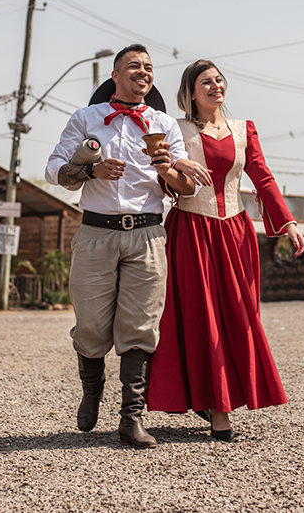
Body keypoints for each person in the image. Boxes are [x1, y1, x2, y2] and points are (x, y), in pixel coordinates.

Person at [145, 60, 304, 441]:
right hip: (192, 233)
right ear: (190, 92)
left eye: (219, 80)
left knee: (237, 317)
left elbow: (262, 177)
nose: (215, 86)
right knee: (200, 319)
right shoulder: (177, 131)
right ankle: (218, 411)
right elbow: (169, 179)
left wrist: (288, 222)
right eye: (206, 82)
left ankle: (222, 398)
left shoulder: (243, 130)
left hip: (235, 234)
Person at [45, 44, 196, 449]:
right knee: (91, 324)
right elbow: (54, 169)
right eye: (134, 66)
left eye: (148, 67)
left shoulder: (164, 124)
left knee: (141, 325)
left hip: (147, 233)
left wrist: (168, 168)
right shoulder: (87, 118)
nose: (143, 71)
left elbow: (184, 188)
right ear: (116, 75)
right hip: (96, 233)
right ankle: (92, 390)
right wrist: (91, 169)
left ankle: (131, 418)